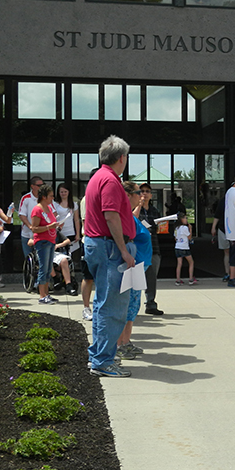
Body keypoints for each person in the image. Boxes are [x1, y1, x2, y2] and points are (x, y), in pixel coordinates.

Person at [84, 135, 136, 378]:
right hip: (110, 248)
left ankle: (99, 356)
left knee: (103, 303)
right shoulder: (111, 181)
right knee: (113, 306)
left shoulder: (98, 177)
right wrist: (124, 250)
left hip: (99, 246)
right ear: (122, 158)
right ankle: (103, 361)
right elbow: (111, 216)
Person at [116, 181, 152, 361]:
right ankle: (120, 344)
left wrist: (138, 205)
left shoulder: (131, 216)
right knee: (128, 306)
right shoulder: (124, 217)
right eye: (138, 192)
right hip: (133, 267)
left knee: (134, 306)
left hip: (139, 267)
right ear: (128, 195)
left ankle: (126, 342)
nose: (141, 195)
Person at [136, 182, 163, 315]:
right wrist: (139, 205)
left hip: (153, 247)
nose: (144, 194)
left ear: (151, 195)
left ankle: (151, 304)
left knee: (151, 278)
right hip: (138, 249)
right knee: (135, 278)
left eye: (147, 191)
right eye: (142, 191)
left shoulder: (154, 211)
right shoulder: (135, 209)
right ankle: (133, 307)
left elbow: (158, 228)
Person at [30, 184, 60, 305]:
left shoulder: (48, 208)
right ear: (44, 196)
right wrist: (49, 227)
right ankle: (42, 295)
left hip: (51, 240)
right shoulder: (37, 209)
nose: (52, 198)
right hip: (42, 242)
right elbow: (34, 228)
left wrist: (56, 225)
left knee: (48, 269)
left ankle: (46, 294)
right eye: (51, 196)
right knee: (43, 268)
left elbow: (50, 223)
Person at [79, 168, 98, 321]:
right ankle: (86, 307)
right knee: (88, 277)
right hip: (90, 241)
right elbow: (87, 222)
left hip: (102, 242)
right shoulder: (87, 199)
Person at [18, 176, 44, 258]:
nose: (41, 188)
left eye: (42, 185)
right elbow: (22, 214)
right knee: (28, 258)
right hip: (27, 233)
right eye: (39, 186)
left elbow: (54, 212)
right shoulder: (26, 198)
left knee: (41, 258)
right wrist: (30, 226)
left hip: (42, 233)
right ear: (32, 186)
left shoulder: (45, 197)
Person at [174, 211, 197, 285]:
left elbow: (175, 238)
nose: (186, 219)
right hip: (184, 247)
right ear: (181, 219)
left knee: (179, 264)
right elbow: (189, 237)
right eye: (185, 218)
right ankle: (190, 278)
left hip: (177, 246)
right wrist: (190, 229)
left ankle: (178, 279)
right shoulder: (184, 228)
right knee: (191, 262)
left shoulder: (176, 228)